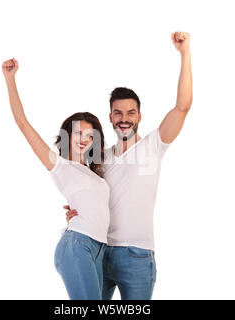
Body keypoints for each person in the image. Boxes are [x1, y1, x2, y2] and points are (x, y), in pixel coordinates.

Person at [64, 31, 193, 300]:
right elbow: (89, 194)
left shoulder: (153, 145)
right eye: (119, 113)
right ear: (110, 116)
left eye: (130, 113)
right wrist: (77, 211)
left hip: (137, 254)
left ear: (139, 116)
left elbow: (182, 106)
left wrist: (184, 53)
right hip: (98, 250)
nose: (125, 118)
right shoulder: (99, 158)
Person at [2, 58, 110, 299]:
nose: (84, 139)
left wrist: (77, 211)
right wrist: (10, 79)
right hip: (78, 246)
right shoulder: (61, 166)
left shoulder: (96, 175)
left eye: (90, 136)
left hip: (99, 249)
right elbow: (22, 123)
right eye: (78, 133)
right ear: (67, 135)